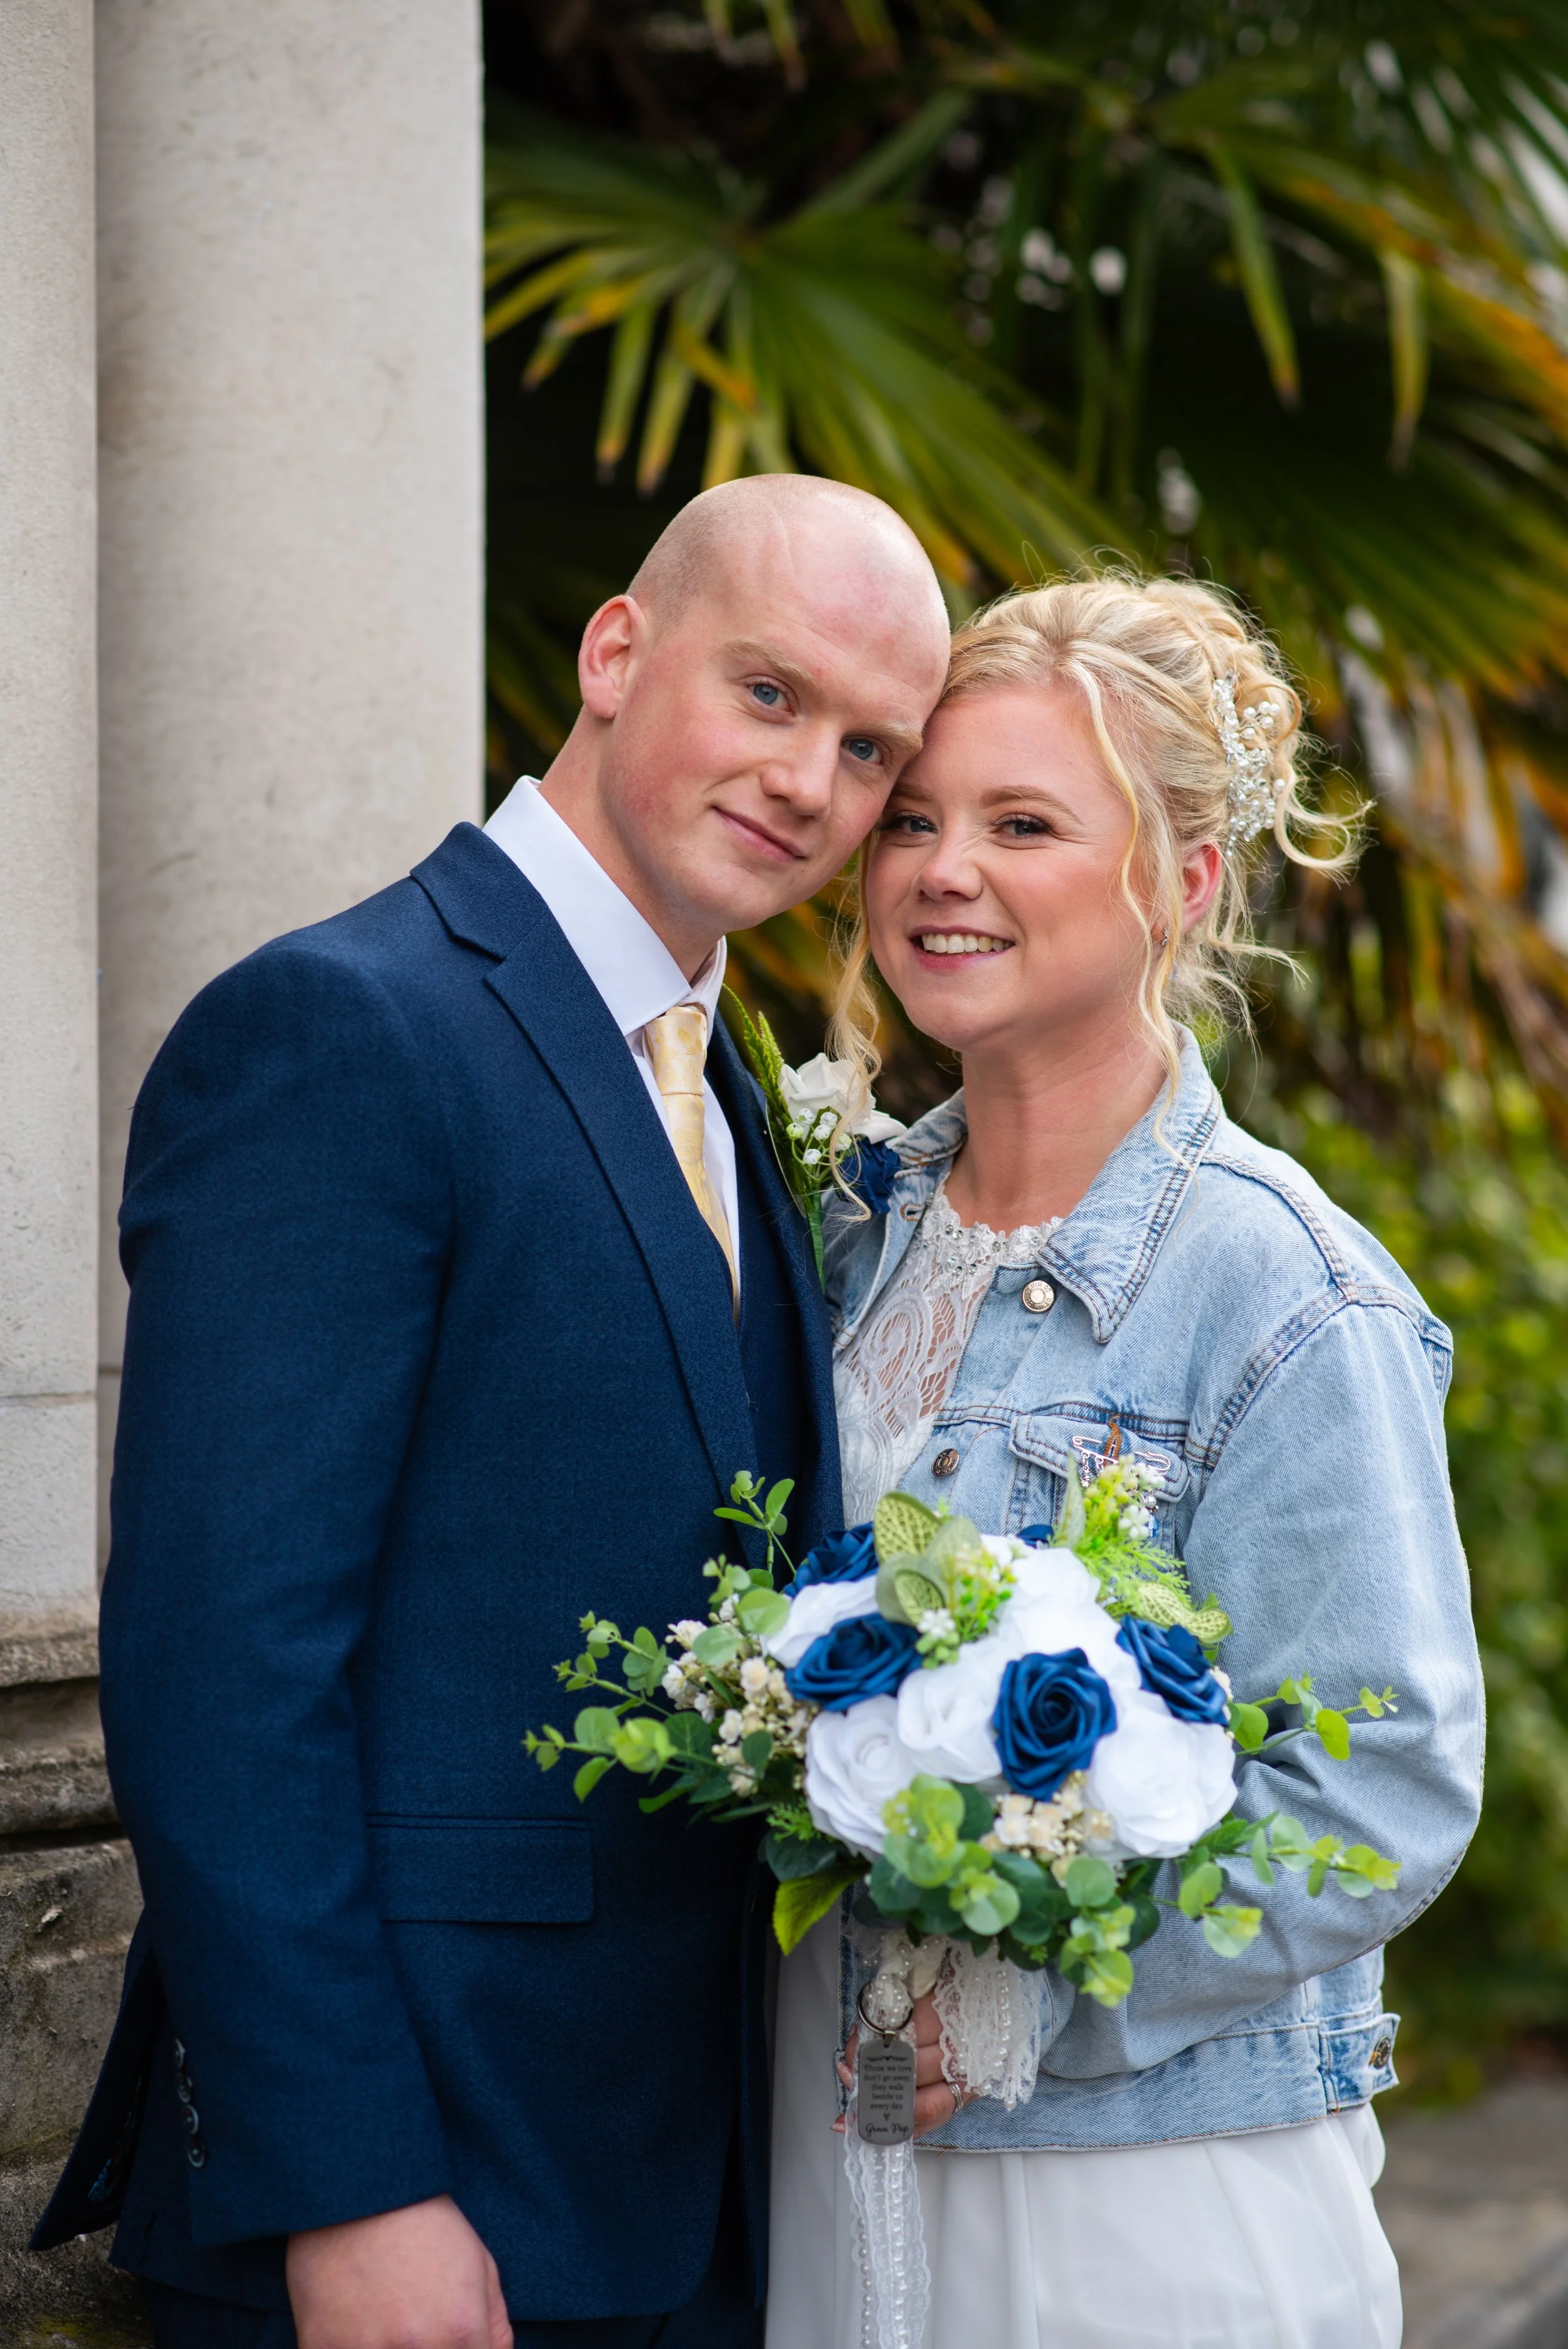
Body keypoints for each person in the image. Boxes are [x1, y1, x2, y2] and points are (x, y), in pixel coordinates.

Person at [33, 474, 951, 2349]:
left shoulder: (726, 1093)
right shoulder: (342, 1029)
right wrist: (349, 2182)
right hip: (417, 2188)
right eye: (767, 695)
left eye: (868, 750)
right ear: (619, 651)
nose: (808, 781)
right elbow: (224, 1671)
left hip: (688, 2180)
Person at [766, 575, 1485, 2349]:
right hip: (816, 2127)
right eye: (915, 821)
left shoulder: (1279, 1290)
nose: (944, 871)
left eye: (1023, 823)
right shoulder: (833, 1235)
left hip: (1134, 2174)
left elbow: (1381, 1781)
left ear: (1180, 881)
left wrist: (1028, 2005)